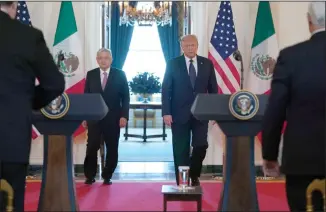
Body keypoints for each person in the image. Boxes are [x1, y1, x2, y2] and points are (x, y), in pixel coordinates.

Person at [0, 1, 65, 211]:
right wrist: (27, 103)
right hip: (11, 139)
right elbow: (54, 84)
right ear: (14, 7)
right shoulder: (27, 36)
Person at [261, 2, 325, 211]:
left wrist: (270, 155)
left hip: (302, 161)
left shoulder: (291, 57)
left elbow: (275, 110)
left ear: (309, 21)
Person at [162, 34, 218, 186]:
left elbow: (213, 89)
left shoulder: (207, 63)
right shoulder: (173, 64)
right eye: (187, 46)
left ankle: (194, 174)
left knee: (201, 145)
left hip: (201, 113)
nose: (190, 48)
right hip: (179, 114)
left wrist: (215, 111)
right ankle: (182, 180)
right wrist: (166, 112)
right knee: (181, 149)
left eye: (193, 45)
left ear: (197, 46)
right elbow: (166, 89)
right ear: (182, 47)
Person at [83, 48, 130, 185]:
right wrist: (85, 116)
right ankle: (90, 175)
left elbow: (126, 97)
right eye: (101, 58)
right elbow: (86, 97)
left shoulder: (120, 75)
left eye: (106, 58)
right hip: (94, 118)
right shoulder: (91, 75)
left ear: (111, 59)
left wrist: (124, 116)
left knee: (112, 147)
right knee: (91, 147)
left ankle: (107, 175)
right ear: (97, 60)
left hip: (113, 119)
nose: (103, 60)